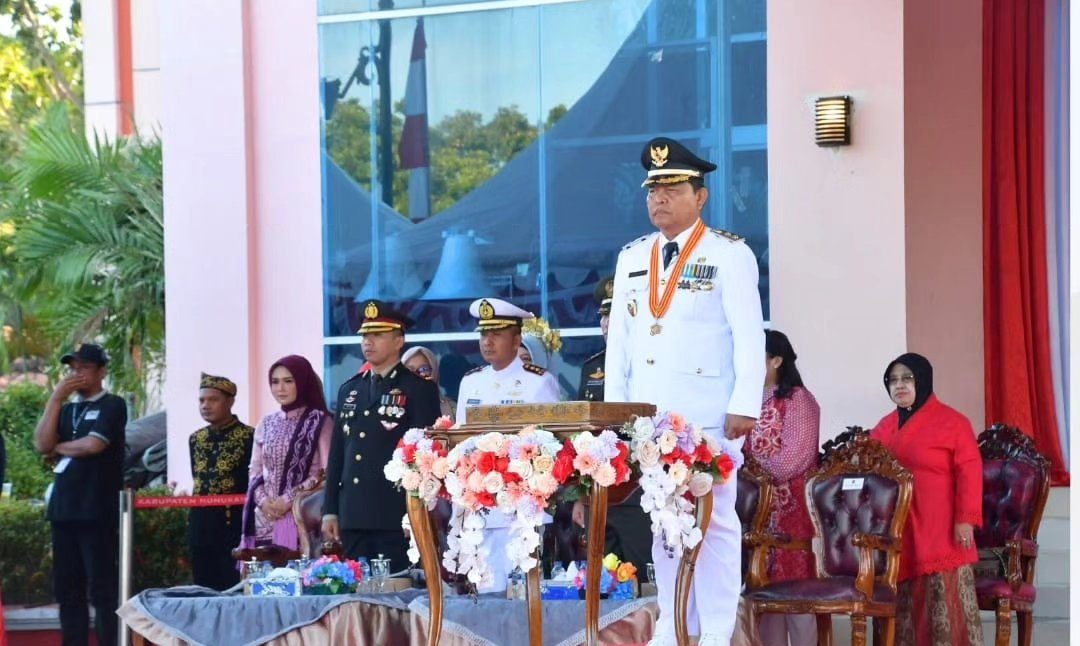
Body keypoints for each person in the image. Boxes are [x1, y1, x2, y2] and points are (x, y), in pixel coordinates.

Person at [606, 138, 766, 646]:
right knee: (664, 521)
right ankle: (677, 624)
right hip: (649, 419)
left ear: (700, 196)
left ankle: (718, 628)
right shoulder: (632, 256)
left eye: (672, 187)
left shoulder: (728, 253)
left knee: (713, 521)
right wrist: (616, 412)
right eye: (653, 189)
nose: (660, 198)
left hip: (709, 415)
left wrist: (745, 403)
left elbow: (749, 334)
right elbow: (620, 345)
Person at [869, 353, 983, 646]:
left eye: (907, 378)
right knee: (903, 603)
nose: (900, 385)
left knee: (942, 600)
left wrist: (966, 520)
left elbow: (970, 472)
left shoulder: (953, 422)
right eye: (893, 380)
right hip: (898, 525)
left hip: (941, 526)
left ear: (923, 379)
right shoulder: (885, 425)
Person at [322, 302, 442, 571]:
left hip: (395, 515)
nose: (368, 342)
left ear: (399, 340)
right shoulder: (350, 390)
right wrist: (330, 509)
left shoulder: (418, 389)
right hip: (353, 514)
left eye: (377, 335)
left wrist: (417, 513)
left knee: (396, 591)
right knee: (357, 595)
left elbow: (427, 458)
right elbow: (338, 455)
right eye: (365, 336)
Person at [456, 297, 562, 590]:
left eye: (496, 334)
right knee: (484, 592)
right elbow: (462, 442)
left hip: (520, 509)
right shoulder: (470, 382)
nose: (487, 341)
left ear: (517, 340)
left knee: (522, 592)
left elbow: (551, 446)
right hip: (480, 507)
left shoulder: (538, 382)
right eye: (483, 334)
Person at [33, 343, 128, 646]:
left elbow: (93, 445)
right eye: (72, 369)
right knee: (67, 589)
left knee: (102, 589)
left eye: (84, 368)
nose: (77, 374)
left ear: (101, 371)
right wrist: (56, 397)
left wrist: (57, 448)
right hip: (63, 510)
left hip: (96, 509)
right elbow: (40, 443)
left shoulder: (113, 404)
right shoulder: (67, 407)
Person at [744, 330, 819, 646]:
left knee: (795, 600)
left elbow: (794, 458)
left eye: (755, 357)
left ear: (776, 360)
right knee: (761, 601)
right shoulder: (743, 401)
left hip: (788, 513)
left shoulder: (799, 399)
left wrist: (752, 473)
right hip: (751, 516)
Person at [240, 355, 333, 551]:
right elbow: (255, 472)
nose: (280, 388)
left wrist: (288, 500)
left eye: (288, 381)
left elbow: (326, 473)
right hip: (263, 518)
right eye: (275, 382)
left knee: (296, 577)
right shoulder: (265, 423)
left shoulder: (321, 422)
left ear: (302, 382)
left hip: (301, 516)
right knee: (261, 578)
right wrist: (264, 502)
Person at [188, 373, 254, 590]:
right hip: (200, 523)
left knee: (232, 586)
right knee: (202, 586)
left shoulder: (248, 436)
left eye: (213, 400)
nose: (205, 405)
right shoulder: (196, 438)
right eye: (201, 400)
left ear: (230, 401)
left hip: (233, 524)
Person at [578, 276, 613, 401]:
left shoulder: (644, 363)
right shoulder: (591, 366)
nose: (607, 323)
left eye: (614, 315)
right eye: (604, 315)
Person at [402, 345, 456, 418]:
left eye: (424, 369)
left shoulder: (452, 408)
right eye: (409, 370)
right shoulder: (391, 408)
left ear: (434, 371)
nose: (416, 375)